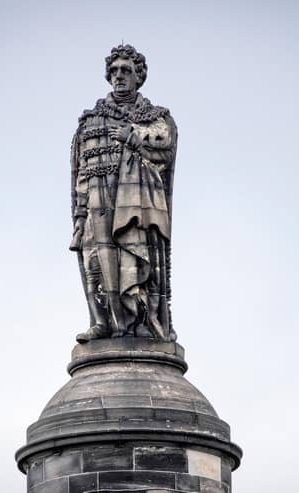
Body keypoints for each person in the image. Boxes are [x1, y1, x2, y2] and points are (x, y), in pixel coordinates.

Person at [70, 45, 177, 343]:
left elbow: (164, 151)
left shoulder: (154, 118)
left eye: (126, 70)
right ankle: (103, 322)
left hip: (135, 207)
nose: (119, 76)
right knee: (96, 265)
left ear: (138, 77)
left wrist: (133, 137)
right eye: (114, 70)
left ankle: (139, 322)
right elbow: (80, 172)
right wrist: (80, 216)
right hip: (97, 204)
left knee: (135, 264)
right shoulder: (91, 122)